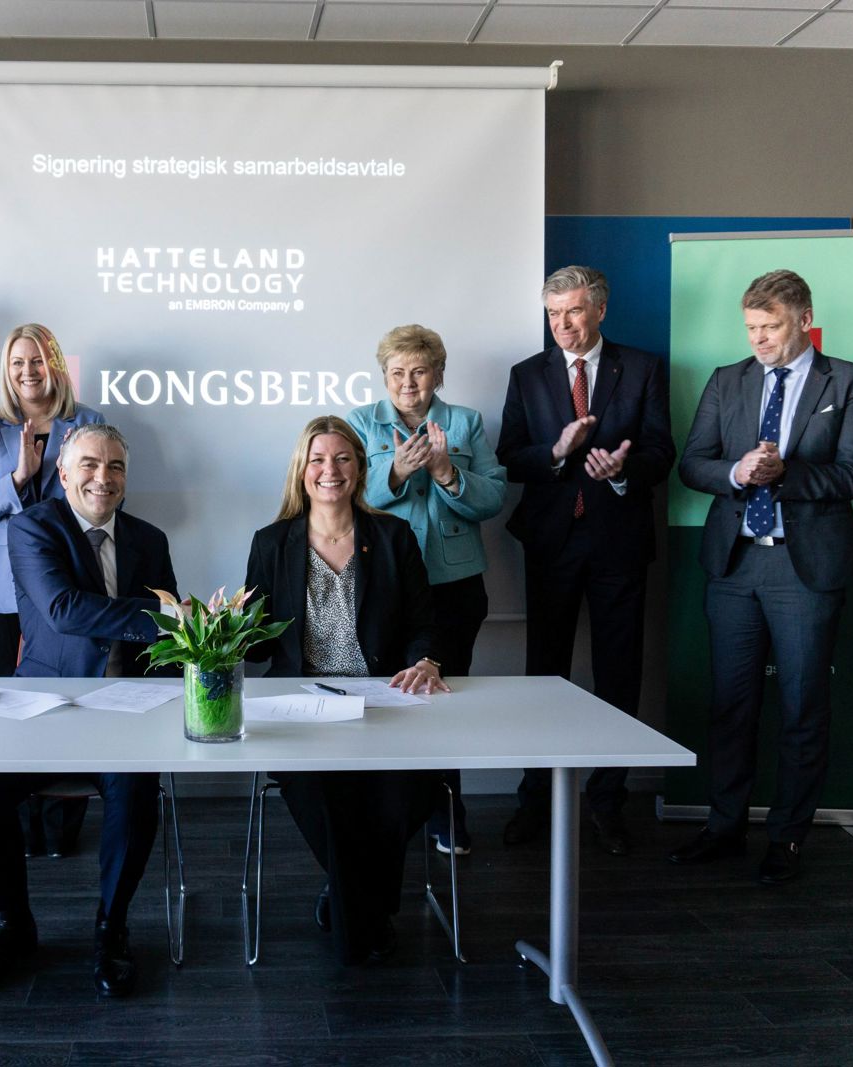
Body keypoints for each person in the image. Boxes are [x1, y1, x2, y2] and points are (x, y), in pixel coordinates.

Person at [672, 269, 853, 884]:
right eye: (751, 328)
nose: (759, 339)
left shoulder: (851, 381)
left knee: (802, 707)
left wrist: (783, 472)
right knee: (730, 706)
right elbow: (693, 464)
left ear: (804, 318)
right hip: (734, 565)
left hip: (805, 569)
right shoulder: (726, 379)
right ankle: (724, 827)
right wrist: (737, 474)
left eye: (771, 326)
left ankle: (787, 838)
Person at [0, 424, 177, 997]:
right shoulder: (33, 526)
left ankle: (111, 927)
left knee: (135, 794)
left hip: (128, 710)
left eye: (115, 467)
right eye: (89, 465)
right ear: (62, 472)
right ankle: (11, 921)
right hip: (45, 708)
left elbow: (171, 636)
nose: (103, 478)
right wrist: (164, 617)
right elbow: (62, 609)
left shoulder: (149, 539)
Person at [244, 415, 448, 965]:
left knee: (404, 793)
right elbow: (257, 647)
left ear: (360, 468)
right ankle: (370, 917)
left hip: (384, 702)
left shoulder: (393, 537)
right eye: (317, 459)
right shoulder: (271, 543)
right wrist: (226, 629)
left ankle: (347, 895)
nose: (329, 470)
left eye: (342, 458)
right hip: (301, 708)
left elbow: (424, 623)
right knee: (324, 796)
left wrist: (426, 660)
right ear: (301, 470)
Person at [496, 266, 676, 856]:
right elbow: (508, 457)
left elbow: (661, 452)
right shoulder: (527, 374)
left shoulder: (642, 368)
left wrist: (623, 470)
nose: (563, 325)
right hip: (551, 541)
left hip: (618, 539)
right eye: (553, 314)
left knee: (618, 674)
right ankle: (536, 799)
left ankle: (607, 802)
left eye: (573, 311)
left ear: (600, 309)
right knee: (543, 675)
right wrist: (554, 452)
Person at [348, 324, 506, 856]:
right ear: (383, 376)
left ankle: (445, 813)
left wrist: (446, 473)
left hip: (453, 587)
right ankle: (382, 815)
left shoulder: (465, 422)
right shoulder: (360, 423)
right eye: (397, 372)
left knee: (441, 702)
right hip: (383, 586)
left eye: (419, 371)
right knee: (383, 701)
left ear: (438, 374)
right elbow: (342, 496)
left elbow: (492, 498)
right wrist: (392, 473)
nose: (408, 383)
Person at [0, 324, 103, 857]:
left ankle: (63, 822)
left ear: (55, 365)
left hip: (69, 590)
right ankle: (20, 824)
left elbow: (100, 498)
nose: (28, 371)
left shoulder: (87, 422)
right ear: (7, 370)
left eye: (37, 360)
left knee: (71, 702)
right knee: (17, 708)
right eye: (18, 362)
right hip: (3, 594)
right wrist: (18, 479)